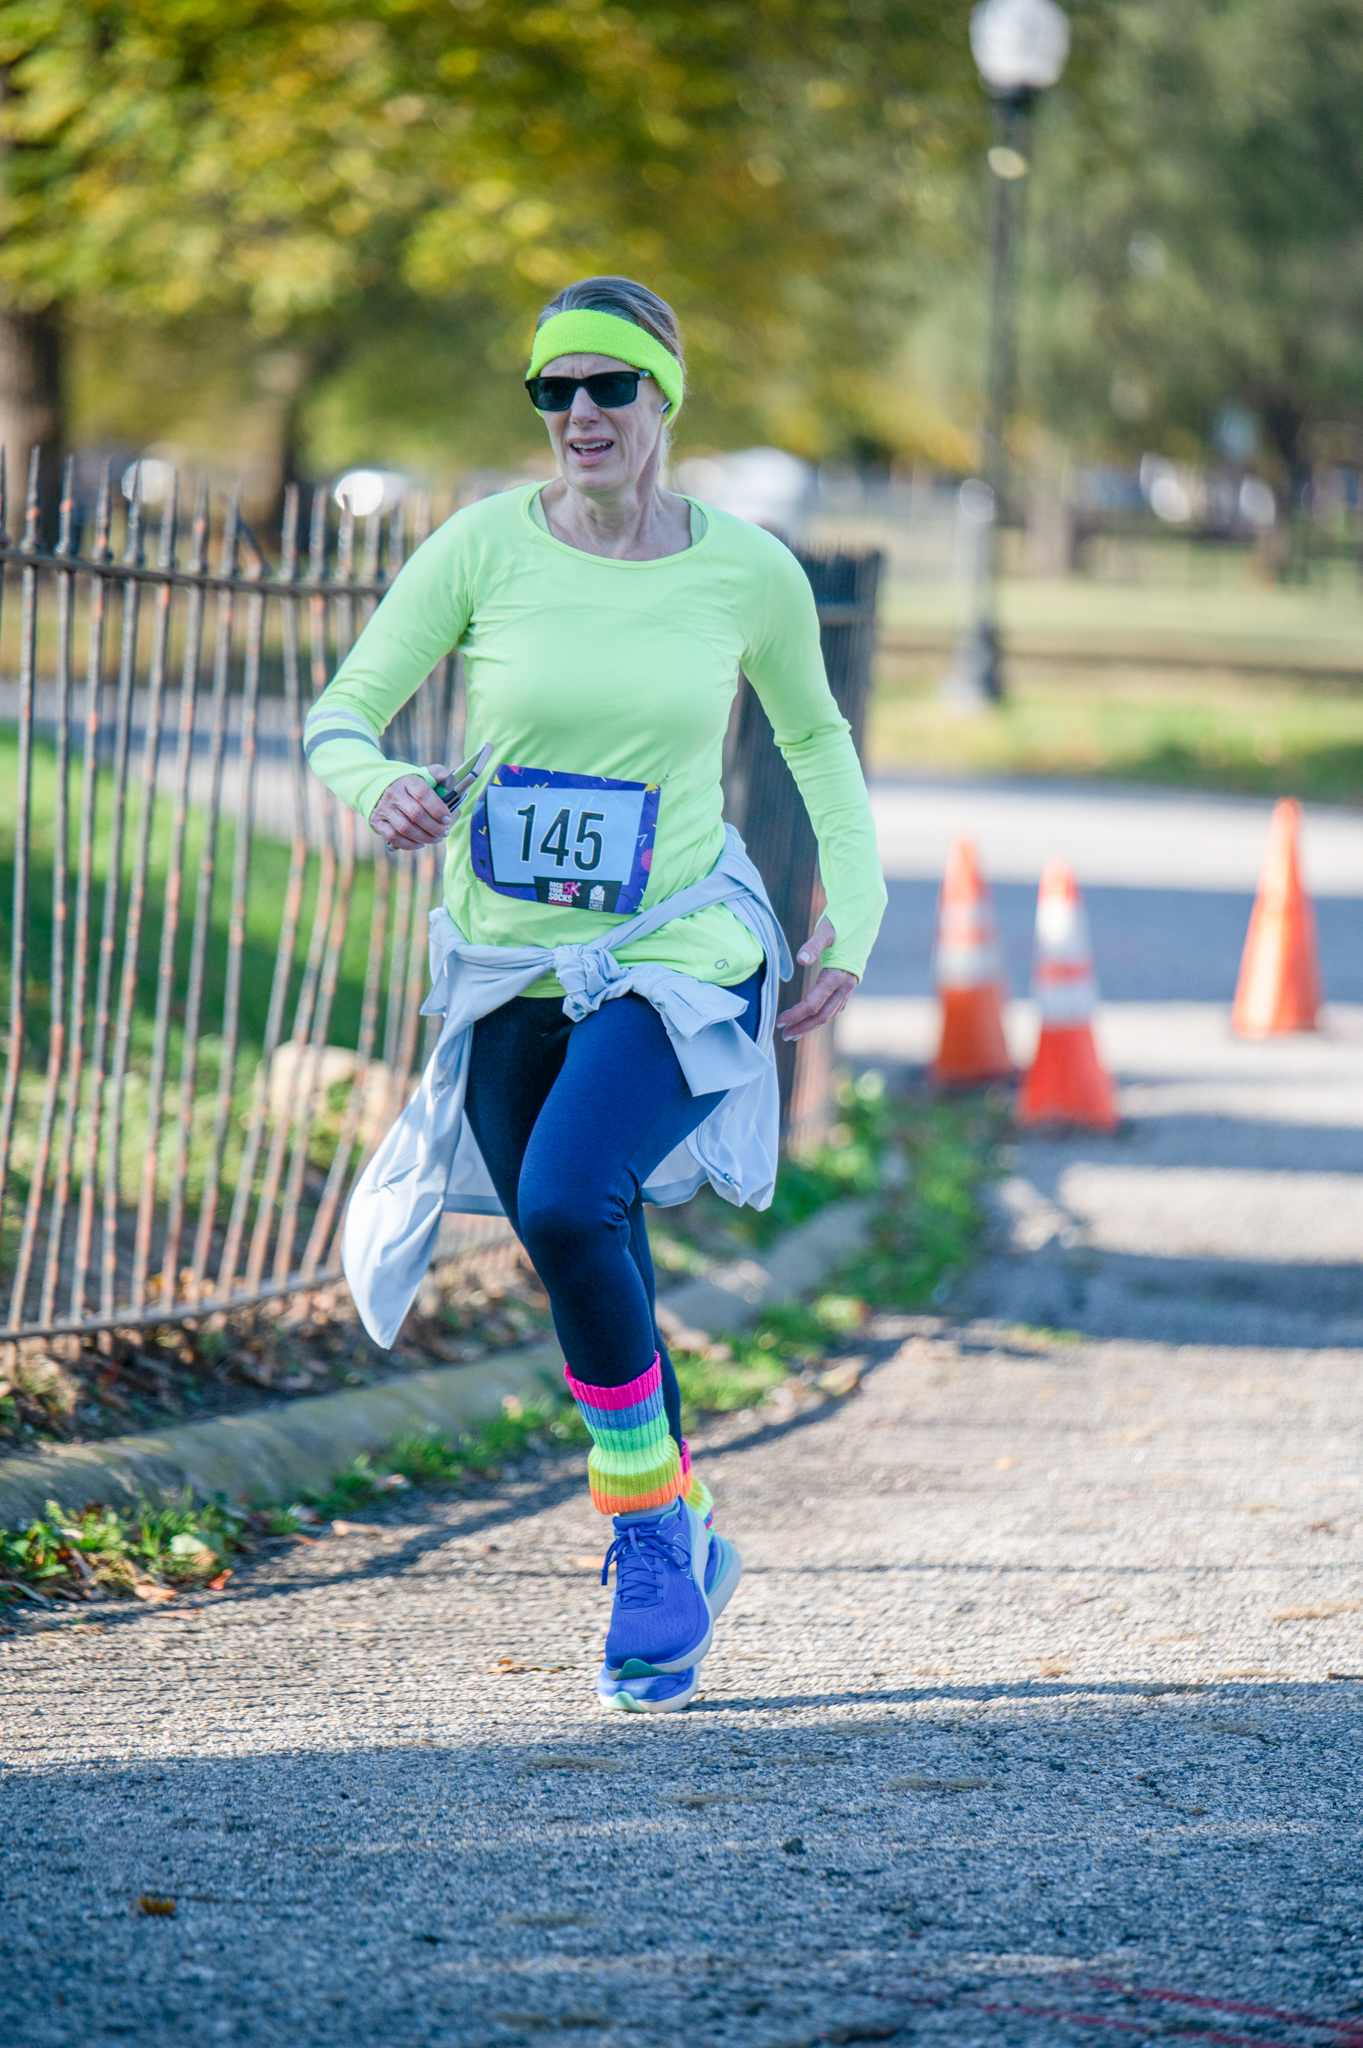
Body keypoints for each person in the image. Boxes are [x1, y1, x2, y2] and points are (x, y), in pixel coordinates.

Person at [304, 275, 886, 1713]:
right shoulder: (478, 550)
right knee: (588, 1243)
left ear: (662, 402)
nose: (578, 416)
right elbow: (342, 715)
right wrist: (377, 787)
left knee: (566, 1201)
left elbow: (816, 743)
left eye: (607, 388)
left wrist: (850, 921)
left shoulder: (747, 570)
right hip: (509, 960)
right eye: (552, 392)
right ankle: (680, 1537)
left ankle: (640, 1547)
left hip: (680, 951)